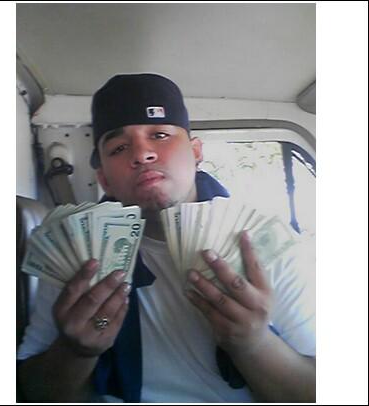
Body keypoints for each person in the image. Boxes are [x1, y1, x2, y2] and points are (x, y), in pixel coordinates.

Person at [17, 73, 316, 402]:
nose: (142, 154)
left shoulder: (265, 244)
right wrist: (75, 351)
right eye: (119, 147)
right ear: (104, 179)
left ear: (196, 151)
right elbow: (31, 391)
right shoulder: (75, 254)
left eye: (159, 135)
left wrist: (254, 344)